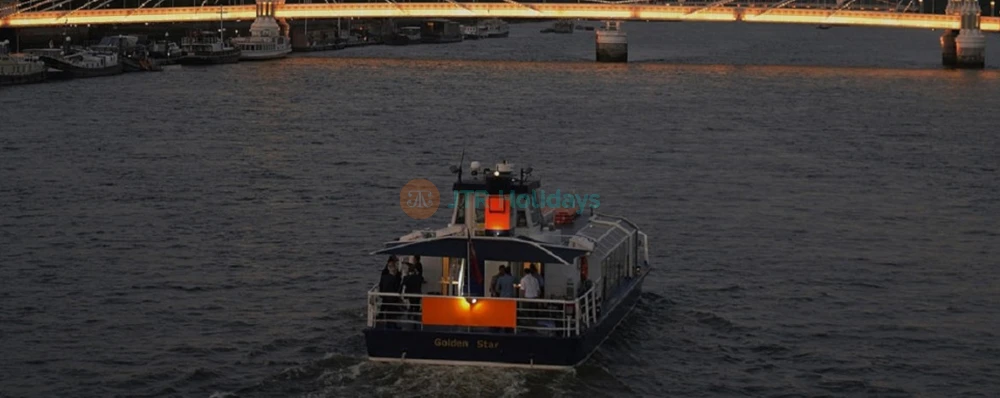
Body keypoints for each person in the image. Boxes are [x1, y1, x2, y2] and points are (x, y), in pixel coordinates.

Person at [378, 260, 402, 328]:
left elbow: (381, 286)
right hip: (392, 299)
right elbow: (397, 289)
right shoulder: (395, 279)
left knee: (385, 311)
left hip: (385, 298)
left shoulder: (383, 277)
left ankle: (383, 322)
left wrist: (382, 294)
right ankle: (393, 325)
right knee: (392, 314)